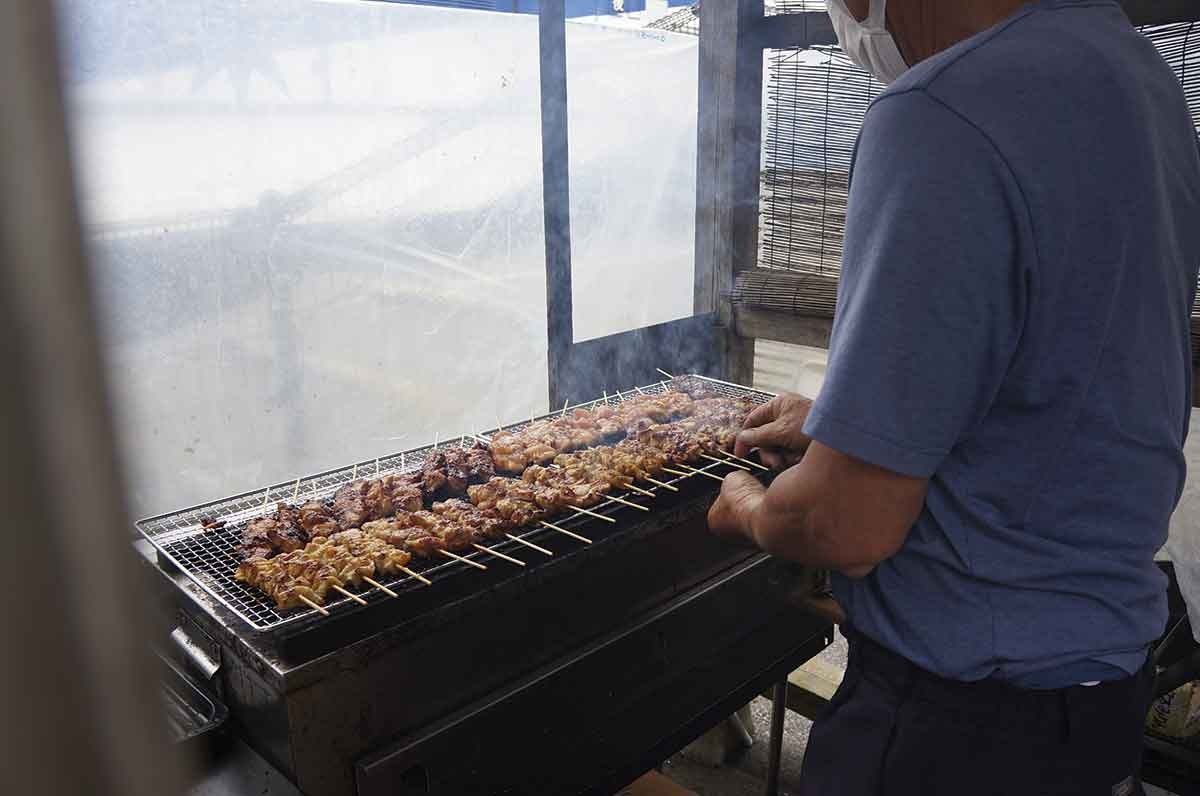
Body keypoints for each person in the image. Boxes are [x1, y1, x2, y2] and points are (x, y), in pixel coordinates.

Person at [706, 1, 1200, 793]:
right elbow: (1055, 358)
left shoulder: (939, 113)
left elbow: (847, 525)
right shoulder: (1138, 77)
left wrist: (750, 505)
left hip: (961, 726)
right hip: (1100, 693)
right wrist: (841, 428)